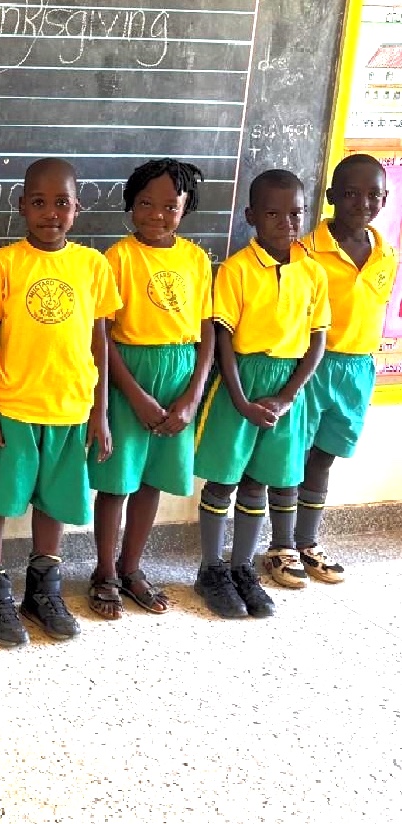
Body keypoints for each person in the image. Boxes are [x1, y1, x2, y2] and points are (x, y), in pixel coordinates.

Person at [0, 158, 121, 645]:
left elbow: (99, 341)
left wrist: (100, 412)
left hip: (70, 407)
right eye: (39, 202)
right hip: (12, 406)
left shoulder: (93, 266)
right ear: (21, 207)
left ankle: (42, 591)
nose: (50, 212)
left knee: (53, 503)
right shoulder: (3, 264)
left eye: (61, 203)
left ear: (78, 208)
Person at [193, 170, 330, 619]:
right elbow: (224, 338)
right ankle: (211, 570)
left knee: (259, 481)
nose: (286, 223)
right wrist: (239, 400)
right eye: (273, 214)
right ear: (251, 216)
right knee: (225, 478)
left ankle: (242, 569)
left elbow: (317, 341)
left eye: (296, 214)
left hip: (288, 385)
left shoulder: (313, 272)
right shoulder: (236, 270)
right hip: (242, 380)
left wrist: (288, 396)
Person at [88, 160, 214, 619]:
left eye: (170, 206)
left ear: (186, 208)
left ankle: (131, 567)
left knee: (151, 480)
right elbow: (102, 334)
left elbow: (207, 330)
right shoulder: (117, 258)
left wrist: (193, 395)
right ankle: (104, 572)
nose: (157, 214)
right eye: (145, 203)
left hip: (179, 373)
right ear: (130, 204)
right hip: (128, 372)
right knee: (117, 481)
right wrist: (134, 394)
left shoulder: (196, 260)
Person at [293, 154, 397, 586]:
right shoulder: (305, 251)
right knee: (292, 455)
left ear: (385, 199)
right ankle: (280, 545)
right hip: (311, 366)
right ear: (332, 195)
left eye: (374, 195)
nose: (363, 203)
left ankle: (307, 541)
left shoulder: (386, 254)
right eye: (351, 193)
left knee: (324, 457)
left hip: (356, 368)